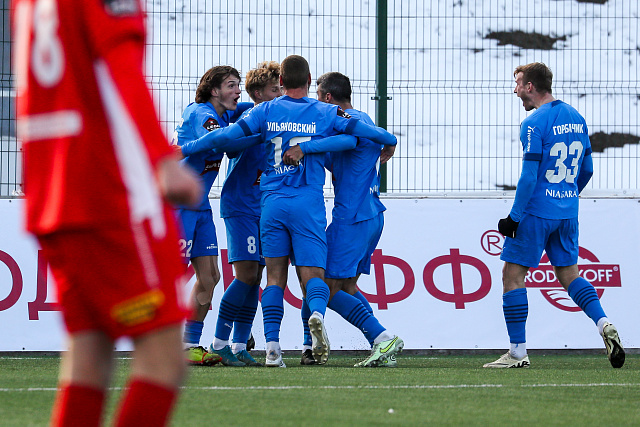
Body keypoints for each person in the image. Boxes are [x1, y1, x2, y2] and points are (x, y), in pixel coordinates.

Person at [12, 0, 203, 425]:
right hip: (112, 194)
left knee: (90, 353)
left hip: (54, 192)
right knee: (164, 359)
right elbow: (120, 68)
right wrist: (162, 158)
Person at [180, 55, 398, 367]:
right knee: (312, 280)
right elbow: (356, 137)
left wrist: (185, 149)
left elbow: (227, 138)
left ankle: (273, 348)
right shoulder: (324, 112)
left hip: (274, 205)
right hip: (304, 205)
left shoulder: (266, 112)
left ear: (282, 83)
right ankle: (307, 332)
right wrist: (387, 141)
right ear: (309, 81)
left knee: (273, 278)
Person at [485, 62, 625, 369]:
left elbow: (528, 177)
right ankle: (603, 323)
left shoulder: (534, 123)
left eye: (518, 84)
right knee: (569, 275)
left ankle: (517, 353)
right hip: (567, 213)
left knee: (512, 276)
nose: (515, 90)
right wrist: (567, 194)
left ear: (530, 86)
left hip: (536, 212)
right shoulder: (577, 117)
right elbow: (587, 169)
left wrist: (514, 218)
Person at [296, 72, 403, 368]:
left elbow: (343, 143)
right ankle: (379, 345)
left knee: (323, 288)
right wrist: (390, 139)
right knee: (347, 288)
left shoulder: (344, 121)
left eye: (318, 96)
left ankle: (381, 337)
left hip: (351, 217)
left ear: (328, 97)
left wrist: (303, 146)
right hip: (371, 214)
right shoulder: (363, 118)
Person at [173, 66, 252, 366]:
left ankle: (189, 346)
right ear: (214, 90)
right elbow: (221, 142)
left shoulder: (224, 113)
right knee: (170, 278)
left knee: (210, 277)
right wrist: (260, 133)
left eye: (239, 86)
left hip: (200, 207)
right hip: (177, 205)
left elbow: (252, 109)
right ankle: (149, 341)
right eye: (231, 86)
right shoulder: (201, 114)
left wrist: (273, 106)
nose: (237, 91)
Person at [207, 61, 283, 367]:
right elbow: (230, 145)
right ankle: (218, 342)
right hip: (240, 206)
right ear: (258, 93)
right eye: (274, 90)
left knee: (257, 276)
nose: (280, 95)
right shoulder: (249, 116)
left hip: (264, 208)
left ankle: (239, 345)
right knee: (246, 275)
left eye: (281, 88)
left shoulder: (282, 118)